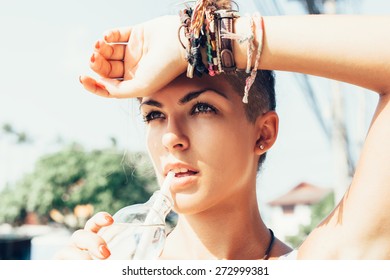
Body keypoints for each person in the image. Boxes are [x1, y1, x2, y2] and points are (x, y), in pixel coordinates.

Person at [58, 0, 390, 260]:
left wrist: (204, 41)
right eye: (154, 115)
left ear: (264, 133)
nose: (172, 137)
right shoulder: (117, 260)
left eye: (202, 108)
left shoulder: (317, 267)